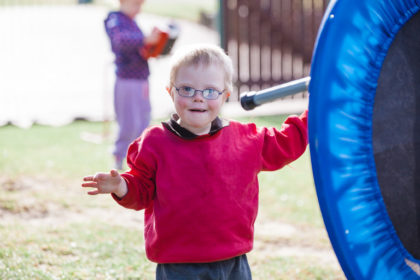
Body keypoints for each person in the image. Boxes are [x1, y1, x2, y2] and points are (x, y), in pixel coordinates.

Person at [82, 44, 308, 280]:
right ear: (171, 92)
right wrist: (121, 186)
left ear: (225, 96)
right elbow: (141, 191)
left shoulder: (245, 139)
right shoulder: (154, 142)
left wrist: (315, 110)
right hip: (179, 264)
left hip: (233, 260)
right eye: (187, 89)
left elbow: (287, 143)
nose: (198, 97)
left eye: (210, 91)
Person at [104, 0, 160, 169]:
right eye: (135, 3)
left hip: (141, 78)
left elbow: (137, 47)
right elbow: (121, 41)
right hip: (127, 79)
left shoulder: (131, 22)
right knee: (129, 122)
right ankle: (119, 156)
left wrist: (154, 46)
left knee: (144, 120)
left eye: (140, 4)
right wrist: (145, 39)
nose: (138, 8)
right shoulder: (115, 20)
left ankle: (139, 158)